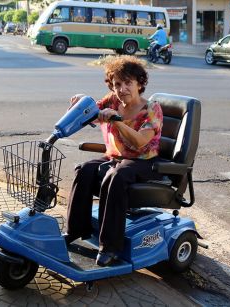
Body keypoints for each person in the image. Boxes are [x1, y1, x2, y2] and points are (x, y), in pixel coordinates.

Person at [64, 56, 163, 267]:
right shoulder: (113, 100)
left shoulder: (152, 109)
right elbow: (90, 112)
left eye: (128, 83)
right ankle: (76, 230)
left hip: (143, 162)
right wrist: (81, 101)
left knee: (115, 176)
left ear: (140, 83)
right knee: (84, 170)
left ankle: (110, 247)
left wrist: (116, 121)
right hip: (115, 157)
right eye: (117, 84)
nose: (122, 89)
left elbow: (139, 143)